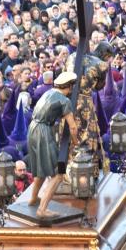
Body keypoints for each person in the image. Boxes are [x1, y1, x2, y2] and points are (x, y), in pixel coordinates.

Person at [27, 71, 78, 218]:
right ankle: (42, 209)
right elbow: (73, 127)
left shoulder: (48, 93)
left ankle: (33, 199)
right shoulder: (64, 100)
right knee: (58, 173)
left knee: (40, 167)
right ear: (68, 86)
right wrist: (76, 143)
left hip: (33, 129)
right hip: (44, 132)